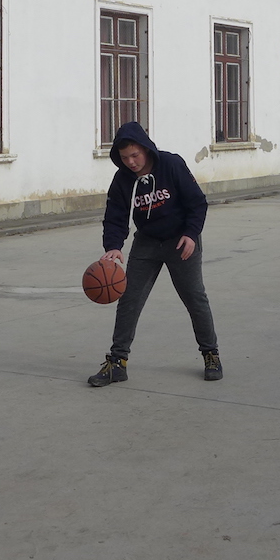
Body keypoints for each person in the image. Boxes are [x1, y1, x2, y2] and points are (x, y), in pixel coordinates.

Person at [88, 121, 222, 387]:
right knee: (129, 300)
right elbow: (115, 216)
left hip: (180, 241)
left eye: (135, 155)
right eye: (125, 158)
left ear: (147, 149)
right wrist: (113, 246)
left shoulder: (171, 165)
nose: (131, 162)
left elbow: (197, 203)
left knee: (195, 298)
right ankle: (117, 362)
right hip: (147, 243)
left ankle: (211, 354)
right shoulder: (123, 179)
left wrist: (191, 234)